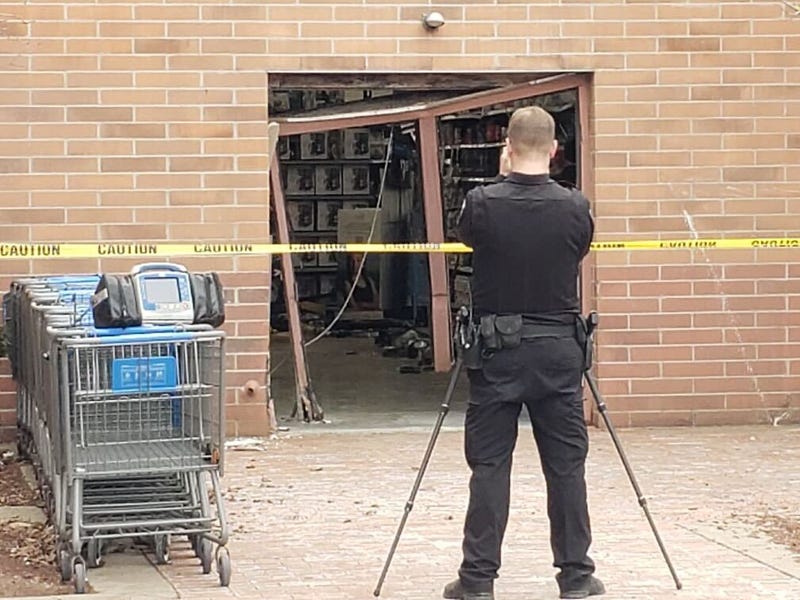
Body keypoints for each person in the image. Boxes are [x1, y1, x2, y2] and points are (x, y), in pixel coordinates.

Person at [444, 106, 603, 600]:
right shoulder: (577, 207)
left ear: (507, 147)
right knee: (566, 466)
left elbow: (468, 236)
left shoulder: (483, 202)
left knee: (490, 465)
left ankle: (477, 581)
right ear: (556, 151)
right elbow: (577, 250)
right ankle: (576, 576)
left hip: (497, 350)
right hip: (559, 350)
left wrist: (499, 179)